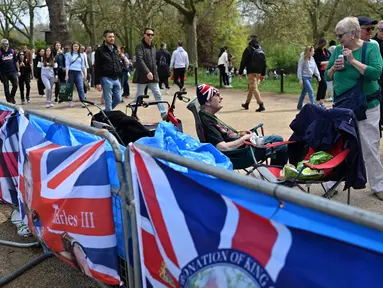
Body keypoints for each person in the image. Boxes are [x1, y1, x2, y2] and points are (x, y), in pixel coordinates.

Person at [325, 16, 383, 201]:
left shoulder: (371, 47)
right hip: (342, 105)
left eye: (340, 35)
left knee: (369, 146)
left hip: (366, 106)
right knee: (337, 144)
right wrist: (334, 68)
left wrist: (353, 61)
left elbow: (376, 73)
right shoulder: (338, 50)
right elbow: (327, 76)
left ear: (352, 34)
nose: (338, 38)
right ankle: (332, 183)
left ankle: (378, 185)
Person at [197, 83, 288, 166]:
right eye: (217, 95)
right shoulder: (207, 121)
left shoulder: (208, 116)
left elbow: (224, 134)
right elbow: (222, 147)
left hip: (242, 149)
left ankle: (274, 175)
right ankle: (276, 177)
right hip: (239, 155)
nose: (221, 97)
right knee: (281, 145)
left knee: (278, 140)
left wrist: (240, 134)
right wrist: (243, 139)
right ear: (208, 102)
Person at [133, 27, 167, 119]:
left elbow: (153, 61)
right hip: (143, 76)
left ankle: (163, 113)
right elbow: (140, 60)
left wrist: (155, 73)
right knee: (139, 96)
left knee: (158, 94)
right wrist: (147, 72)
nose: (150, 36)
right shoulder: (139, 46)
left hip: (153, 76)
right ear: (144, 35)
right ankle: (133, 112)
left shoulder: (153, 47)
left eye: (152, 35)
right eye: (148, 34)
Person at [94, 30, 123, 111]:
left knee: (118, 99)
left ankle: (106, 113)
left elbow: (117, 62)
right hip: (106, 78)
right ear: (105, 38)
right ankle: (109, 116)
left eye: (113, 37)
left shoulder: (115, 49)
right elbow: (97, 66)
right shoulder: (100, 50)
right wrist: (97, 82)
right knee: (108, 101)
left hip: (116, 78)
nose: (112, 38)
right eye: (110, 37)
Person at [239, 34, 267, 112]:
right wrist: (263, 74)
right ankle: (246, 104)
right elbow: (264, 62)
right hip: (259, 71)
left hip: (251, 71)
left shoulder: (248, 49)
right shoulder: (261, 49)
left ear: (250, 40)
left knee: (254, 88)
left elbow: (243, 62)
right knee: (251, 88)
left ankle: (261, 104)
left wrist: (240, 72)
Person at [297, 46, 321, 110]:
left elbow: (315, 67)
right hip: (305, 78)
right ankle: (314, 106)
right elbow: (299, 70)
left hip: (310, 77)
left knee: (304, 92)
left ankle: (299, 105)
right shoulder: (302, 60)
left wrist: (318, 75)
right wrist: (300, 79)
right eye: (313, 51)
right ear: (309, 51)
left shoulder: (312, 59)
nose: (314, 52)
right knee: (311, 91)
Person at [65, 42, 87, 108]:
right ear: (72, 47)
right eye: (74, 46)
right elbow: (67, 65)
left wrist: (85, 74)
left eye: (77, 46)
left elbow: (83, 65)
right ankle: (70, 101)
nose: (76, 48)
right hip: (71, 72)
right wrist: (66, 75)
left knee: (80, 87)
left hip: (78, 72)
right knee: (70, 87)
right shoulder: (68, 54)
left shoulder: (81, 55)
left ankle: (83, 101)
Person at [0, 39, 19, 103]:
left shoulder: (12, 51)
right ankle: (9, 101)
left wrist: (18, 70)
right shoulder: (0, 52)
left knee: (15, 85)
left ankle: (12, 96)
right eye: (4, 44)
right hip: (4, 72)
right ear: (2, 44)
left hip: (12, 71)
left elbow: (16, 61)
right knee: (6, 87)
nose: (6, 46)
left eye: (7, 44)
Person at [314, 38, 330, 108]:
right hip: (319, 71)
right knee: (324, 85)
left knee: (321, 86)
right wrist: (326, 62)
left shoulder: (326, 51)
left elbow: (330, 57)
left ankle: (319, 102)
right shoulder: (317, 52)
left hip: (325, 71)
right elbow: (317, 62)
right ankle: (320, 101)